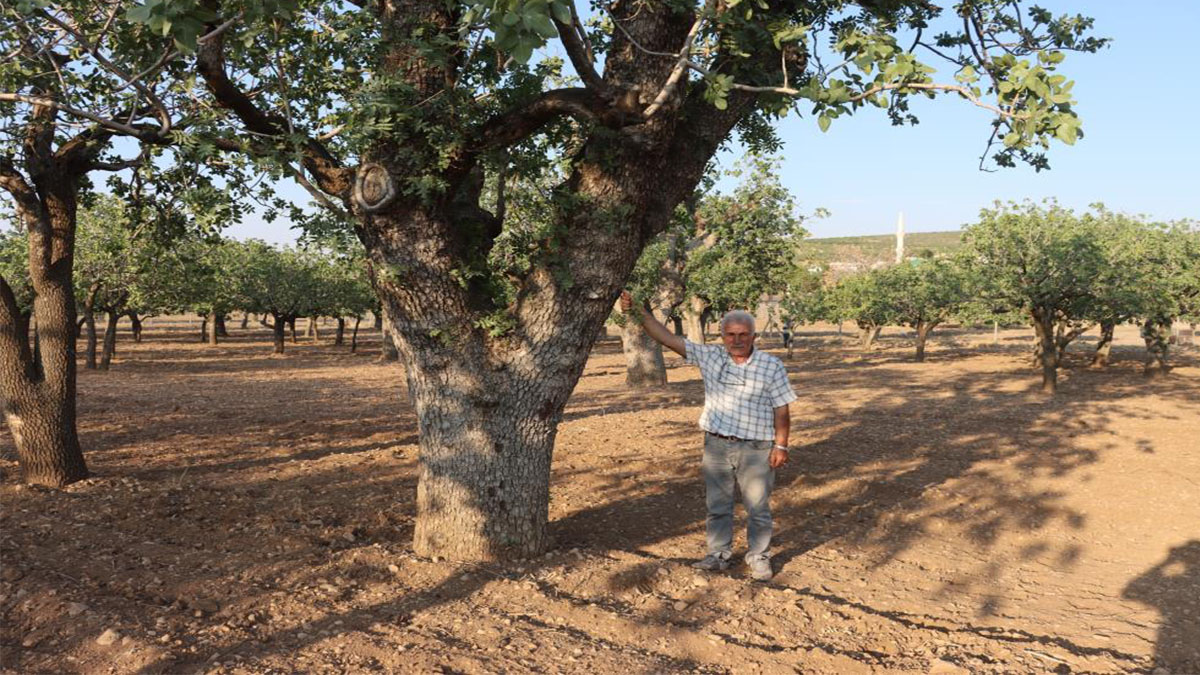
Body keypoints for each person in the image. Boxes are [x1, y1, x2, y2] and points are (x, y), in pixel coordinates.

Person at [619, 291, 796, 581]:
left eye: (743, 334)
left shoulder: (771, 366)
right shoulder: (710, 356)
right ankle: (718, 555)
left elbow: (782, 408)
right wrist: (639, 311)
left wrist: (781, 445)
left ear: (753, 336)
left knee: (758, 507)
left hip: (756, 448)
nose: (736, 340)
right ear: (721, 335)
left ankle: (759, 557)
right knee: (718, 505)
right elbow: (666, 338)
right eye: (730, 334)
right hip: (716, 445)